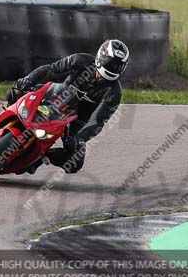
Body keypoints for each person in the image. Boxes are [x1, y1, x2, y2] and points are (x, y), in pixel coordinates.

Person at [7, 39, 130, 175]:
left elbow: (98, 121)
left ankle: (40, 157)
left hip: (75, 121)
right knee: (15, 93)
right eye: (110, 62)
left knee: (75, 162)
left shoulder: (114, 92)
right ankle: (5, 120)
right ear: (101, 56)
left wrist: (80, 138)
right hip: (54, 99)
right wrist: (28, 80)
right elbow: (51, 69)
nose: (112, 67)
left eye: (117, 65)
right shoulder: (81, 60)